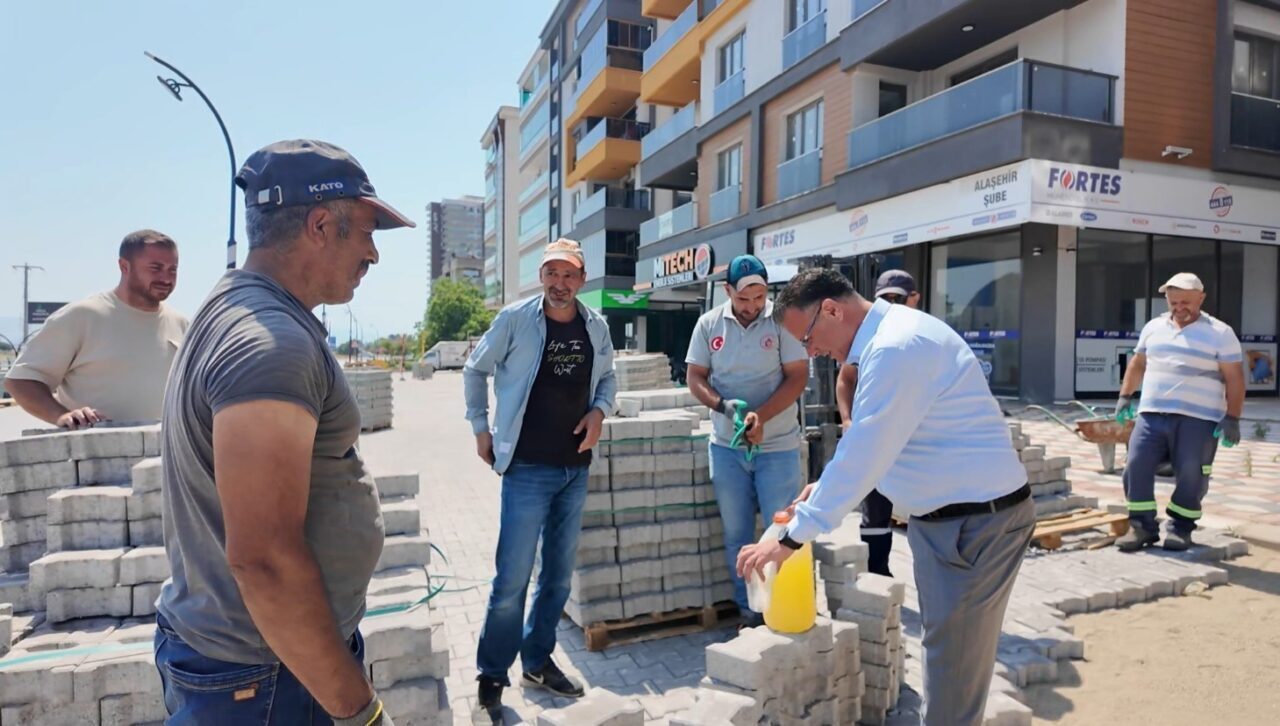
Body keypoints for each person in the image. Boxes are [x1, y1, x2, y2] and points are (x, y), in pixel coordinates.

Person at [154, 139, 415, 725]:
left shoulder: (237, 306)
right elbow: (265, 560)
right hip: (267, 675)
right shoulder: (271, 344)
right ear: (321, 224)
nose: (373, 254)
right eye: (367, 231)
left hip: (263, 662)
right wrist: (359, 711)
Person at [738, 268, 1032, 726]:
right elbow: (889, 443)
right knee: (945, 656)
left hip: (977, 525)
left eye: (808, 338)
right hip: (946, 523)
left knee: (953, 672)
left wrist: (791, 537)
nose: (811, 353)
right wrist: (826, 487)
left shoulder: (897, 346)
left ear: (832, 309)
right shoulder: (889, 340)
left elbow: (867, 446)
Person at [463, 238, 617, 711]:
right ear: (541, 276)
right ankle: (492, 673)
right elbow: (474, 369)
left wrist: (600, 412)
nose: (560, 283)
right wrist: (480, 427)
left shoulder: (597, 327)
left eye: (569, 274)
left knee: (557, 578)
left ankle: (537, 661)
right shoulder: (515, 320)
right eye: (552, 273)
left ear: (582, 280)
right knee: (511, 579)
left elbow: (609, 377)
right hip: (528, 467)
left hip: (575, 468)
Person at [685, 254, 808, 627]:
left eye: (759, 297)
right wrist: (725, 408)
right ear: (727, 291)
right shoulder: (708, 325)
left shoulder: (781, 322)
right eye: (743, 299)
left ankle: (783, 610)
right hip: (726, 448)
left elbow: (797, 378)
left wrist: (761, 417)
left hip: (779, 447)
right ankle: (749, 611)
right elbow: (696, 378)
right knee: (737, 533)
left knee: (784, 531)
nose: (753, 306)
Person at [1115, 272, 1245, 552]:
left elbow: (1235, 378)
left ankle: (1180, 528)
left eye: (1186, 301)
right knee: (1135, 464)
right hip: (1151, 414)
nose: (1179, 307)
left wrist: (1233, 417)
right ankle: (1141, 527)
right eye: (1174, 302)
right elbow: (1138, 364)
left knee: (1192, 472)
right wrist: (1125, 397)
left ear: (1201, 298)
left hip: (1199, 419)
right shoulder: (1153, 327)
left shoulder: (1220, 333)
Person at [4, 230, 187, 427]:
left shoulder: (183, 325)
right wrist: (62, 415)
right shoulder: (81, 316)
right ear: (124, 266)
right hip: (95, 453)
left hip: (165, 453)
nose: (166, 278)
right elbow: (20, 381)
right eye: (156, 268)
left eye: (172, 270)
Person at [834, 269, 921, 577]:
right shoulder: (869, 337)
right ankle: (877, 573)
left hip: (914, 443)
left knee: (925, 512)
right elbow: (845, 379)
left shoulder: (924, 335)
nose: (893, 305)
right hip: (878, 439)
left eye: (899, 299)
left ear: (915, 299)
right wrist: (847, 420)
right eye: (887, 299)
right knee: (876, 509)